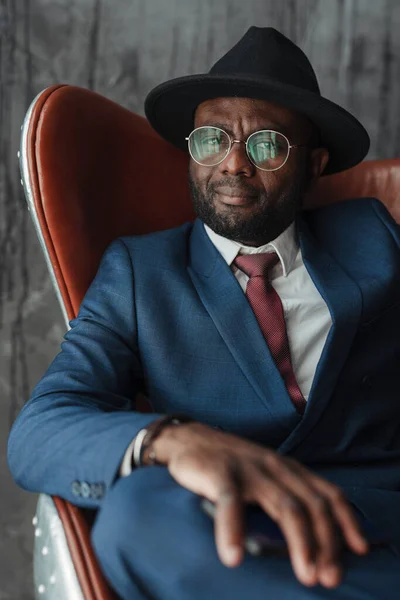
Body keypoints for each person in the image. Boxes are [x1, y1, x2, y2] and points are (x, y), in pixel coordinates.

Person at [7, 26, 400, 600]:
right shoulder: (141, 272)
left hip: (379, 527)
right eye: (211, 139)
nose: (233, 164)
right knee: (136, 515)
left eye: (266, 144)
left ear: (314, 166)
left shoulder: (376, 236)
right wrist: (174, 441)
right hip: (235, 535)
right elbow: (40, 431)